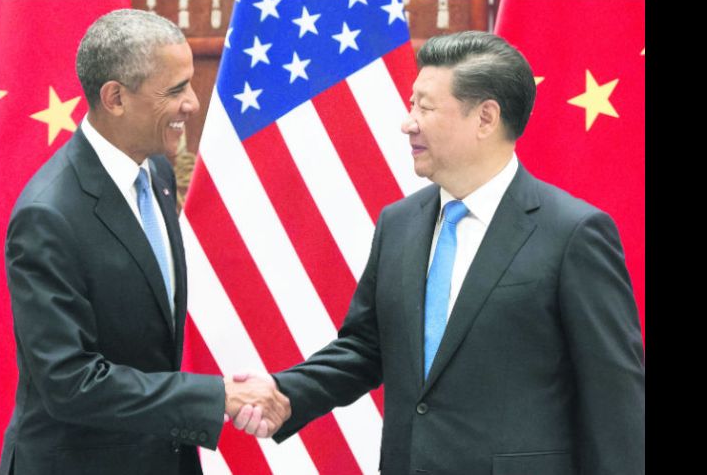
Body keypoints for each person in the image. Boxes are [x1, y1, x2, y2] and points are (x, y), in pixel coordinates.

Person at [232, 31, 645, 474]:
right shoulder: (399, 223)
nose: (408, 123)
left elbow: (615, 398)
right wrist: (285, 393)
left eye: (425, 108)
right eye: (411, 104)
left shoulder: (572, 233)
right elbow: (366, 347)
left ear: (486, 118)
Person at [0, 9, 287, 475]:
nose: (192, 103)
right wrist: (218, 397)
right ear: (115, 98)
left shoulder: (156, 173)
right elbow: (69, 382)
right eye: (175, 90)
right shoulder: (48, 215)